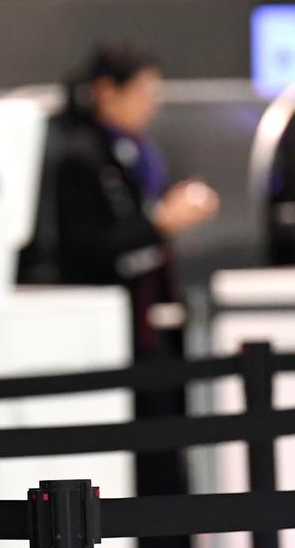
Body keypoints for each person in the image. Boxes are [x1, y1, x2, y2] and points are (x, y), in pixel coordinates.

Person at [55, 44, 218, 548]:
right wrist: (159, 222)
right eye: (144, 92)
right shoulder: (78, 154)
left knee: (167, 457)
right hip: (112, 332)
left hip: (156, 326)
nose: (153, 104)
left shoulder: (141, 153)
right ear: (107, 91)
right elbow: (85, 248)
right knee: (139, 459)